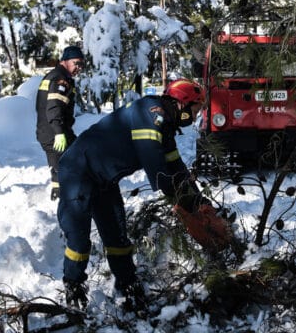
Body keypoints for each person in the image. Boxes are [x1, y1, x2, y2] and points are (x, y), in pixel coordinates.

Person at [56, 78, 211, 311]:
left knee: (117, 237)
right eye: (196, 108)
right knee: (79, 240)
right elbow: (156, 166)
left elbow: (176, 167)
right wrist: (180, 202)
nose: (196, 115)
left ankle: (128, 286)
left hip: (104, 180)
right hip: (77, 171)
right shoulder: (150, 114)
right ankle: (73, 287)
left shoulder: (165, 125)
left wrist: (198, 201)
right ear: (183, 103)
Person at [36, 45, 84, 201]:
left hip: (51, 130)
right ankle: (69, 199)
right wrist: (58, 133)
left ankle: (60, 194)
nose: (79, 68)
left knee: (60, 165)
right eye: (76, 63)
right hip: (55, 132)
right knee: (71, 163)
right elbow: (54, 107)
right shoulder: (60, 79)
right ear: (65, 61)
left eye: (81, 64)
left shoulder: (55, 75)